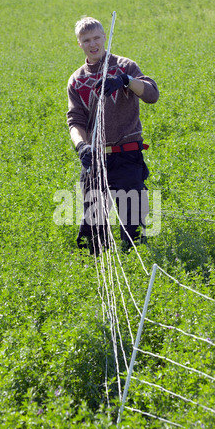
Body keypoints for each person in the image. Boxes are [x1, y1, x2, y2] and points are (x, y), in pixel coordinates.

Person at [67, 16, 159, 254]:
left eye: (96, 37)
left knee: (134, 229)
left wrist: (125, 81)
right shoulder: (77, 80)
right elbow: (75, 121)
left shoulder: (125, 66)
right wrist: (81, 147)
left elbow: (151, 94)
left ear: (104, 37)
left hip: (127, 156)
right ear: (79, 44)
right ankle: (94, 272)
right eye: (86, 40)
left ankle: (137, 271)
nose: (93, 44)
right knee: (92, 232)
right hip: (96, 159)